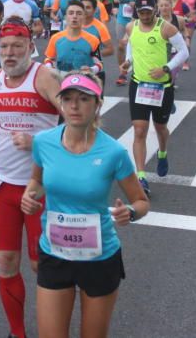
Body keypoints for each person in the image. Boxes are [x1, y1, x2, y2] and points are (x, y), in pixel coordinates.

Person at [21, 70, 149, 338]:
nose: (74, 106)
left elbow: (140, 201)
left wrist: (131, 213)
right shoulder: (44, 142)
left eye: (83, 99)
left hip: (99, 258)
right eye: (67, 99)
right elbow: (37, 182)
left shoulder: (114, 152)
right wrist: (29, 197)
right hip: (54, 253)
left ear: (97, 104)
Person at [0, 18, 63, 338]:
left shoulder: (45, 77)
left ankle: (53, 329)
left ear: (30, 47)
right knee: (6, 263)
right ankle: (17, 333)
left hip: (41, 188)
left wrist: (38, 143)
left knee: (41, 267)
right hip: (3, 185)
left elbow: (79, 120)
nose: (10, 52)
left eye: (17, 45)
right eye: (4, 46)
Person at [119, 0, 188, 198]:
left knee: (160, 128)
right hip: (139, 85)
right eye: (142, 12)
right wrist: (128, 63)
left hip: (162, 87)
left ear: (155, 10)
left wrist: (166, 68)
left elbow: (183, 52)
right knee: (139, 130)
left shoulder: (166, 28)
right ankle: (141, 176)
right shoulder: (131, 27)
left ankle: (163, 152)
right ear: (137, 13)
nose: (145, 15)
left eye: (148, 11)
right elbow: (132, 49)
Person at [45, 1, 104, 76]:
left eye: (79, 14)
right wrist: (49, 67)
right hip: (62, 80)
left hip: (84, 80)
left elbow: (100, 64)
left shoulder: (93, 40)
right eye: (71, 13)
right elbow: (49, 58)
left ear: (84, 17)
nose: (75, 16)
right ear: (65, 16)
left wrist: (92, 69)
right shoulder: (55, 38)